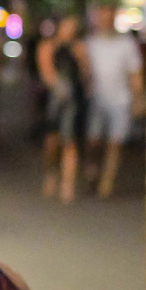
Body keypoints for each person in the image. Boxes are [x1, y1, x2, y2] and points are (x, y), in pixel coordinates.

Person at [85, 2, 142, 199]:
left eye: (109, 17)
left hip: (121, 100)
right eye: (102, 17)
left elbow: (135, 72)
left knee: (115, 143)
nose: (105, 21)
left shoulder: (126, 43)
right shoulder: (89, 42)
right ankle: (92, 170)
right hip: (95, 100)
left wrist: (138, 98)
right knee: (94, 140)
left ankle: (107, 183)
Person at [37, 13, 88, 203]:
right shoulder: (48, 46)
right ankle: (51, 173)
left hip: (74, 100)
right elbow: (47, 72)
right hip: (54, 101)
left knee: (70, 141)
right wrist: (59, 87)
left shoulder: (79, 47)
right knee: (52, 141)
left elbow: (85, 73)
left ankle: (68, 184)